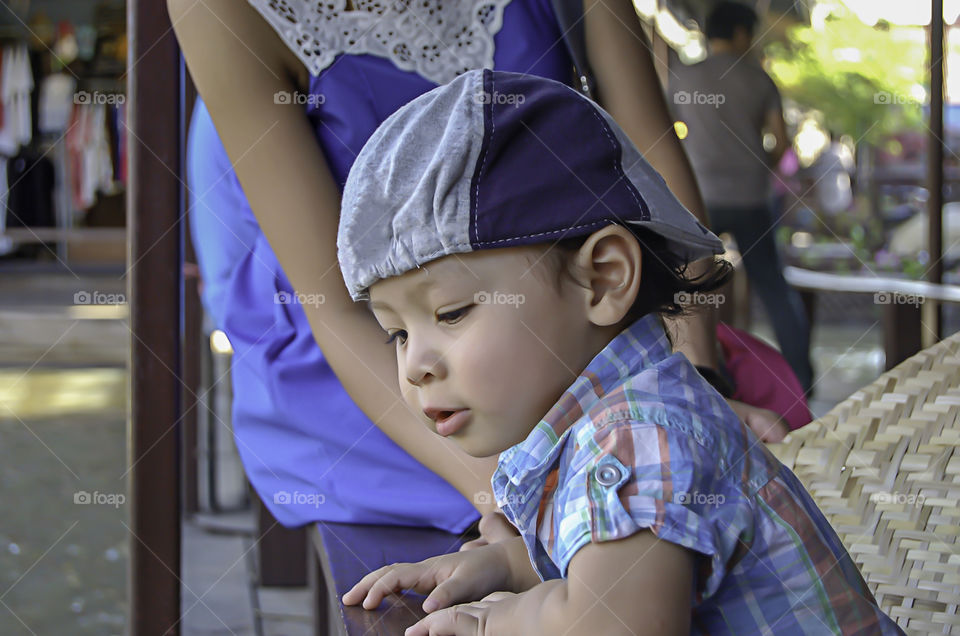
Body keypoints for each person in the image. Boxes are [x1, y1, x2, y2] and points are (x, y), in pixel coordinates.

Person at [169, 0, 790, 538]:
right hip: (357, 370)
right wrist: (517, 494)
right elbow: (333, 305)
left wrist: (693, 389)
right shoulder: (222, 12)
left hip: (562, 323)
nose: (414, 364)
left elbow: (656, 172)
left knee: (753, 442)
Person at [338, 69, 903, 636]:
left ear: (603, 279)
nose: (414, 366)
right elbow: (601, 570)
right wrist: (498, 564)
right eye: (398, 334)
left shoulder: (637, 436)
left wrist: (504, 621)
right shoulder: (608, 423)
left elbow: (618, 624)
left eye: (451, 313)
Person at [669, 1, 814, 395]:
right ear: (740, 34)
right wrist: (755, 164)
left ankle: (695, 376)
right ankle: (802, 379)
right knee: (773, 287)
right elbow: (782, 143)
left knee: (688, 287)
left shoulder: (682, 76)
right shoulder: (759, 80)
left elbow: (666, 136)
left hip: (697, 198)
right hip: (751, 197)